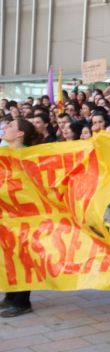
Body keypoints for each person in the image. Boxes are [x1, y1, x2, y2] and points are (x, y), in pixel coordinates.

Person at [0, 118, 43, 318]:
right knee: (8, 255)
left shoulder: (27, 156)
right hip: (7, 215)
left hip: (25, 215)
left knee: (24, 256)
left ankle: (22, 300)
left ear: (20, 134)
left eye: (10, 126)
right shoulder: (5, 153)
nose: (5, 128)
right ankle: (10, 294)